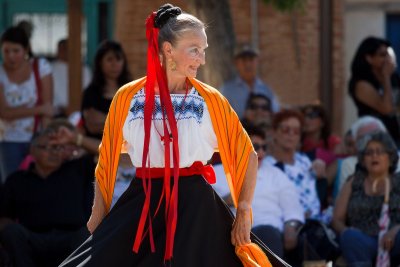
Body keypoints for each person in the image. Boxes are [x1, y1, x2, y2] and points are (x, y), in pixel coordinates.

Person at [59, 4, 278, 267]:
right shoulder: (129, 97)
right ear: (168, 49)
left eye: (204, 50)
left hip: (195, 207)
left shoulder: (209, 100)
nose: (202, 59)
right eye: (194, 50)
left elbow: (247, 156)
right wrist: (99, 212)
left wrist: (243, 211)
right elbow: (107, 160)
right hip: (144, 201)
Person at [0, 126, 95, 267]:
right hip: (33, 239)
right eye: (48, 147)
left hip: (71, 238)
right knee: (12, 232)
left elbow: (110, 151)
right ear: (32, 150)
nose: (54, 152)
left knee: (86, 235)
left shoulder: (78, 169)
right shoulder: (17, 180)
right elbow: (4, 217)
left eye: (58, 147)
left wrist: (76, 139)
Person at [332, 131, 400, 266]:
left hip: (393, 240)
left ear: (390, 157)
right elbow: (337, 220)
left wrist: (395, 230)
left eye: (380, 152)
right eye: (369, 153)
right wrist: (346, 231)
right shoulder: (353, 182)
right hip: (362, 240)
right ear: (363, 159)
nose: (374, 156)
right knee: (350, 237)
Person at [0, 26, 54, 183]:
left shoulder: (40, 67)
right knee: (11, 185)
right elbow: (4, 113)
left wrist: (46, 140)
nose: (11, 56)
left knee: (40, 185)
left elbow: (48, 110)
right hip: (8, 140)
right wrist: (39, 109)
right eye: (6, 51)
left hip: (37, 138)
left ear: (26, 50)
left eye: (16, 51)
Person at [247, 125, 304, 258]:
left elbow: (293, 209)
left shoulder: (276, 174)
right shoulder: (219, 174)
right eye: (255, 147)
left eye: (264, 148)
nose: (260, 152)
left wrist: (291, 226)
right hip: (233, 234)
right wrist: (228, 199)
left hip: (271, 233)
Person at [264, 109, 322, 219]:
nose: (291, 134)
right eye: (286, 130)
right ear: (274, 132)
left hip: (315, 221)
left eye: (296, 131)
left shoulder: (305, 161)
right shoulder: (266, 165)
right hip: (285, 224)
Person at [348, 36, 400, 146]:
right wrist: (386, 77)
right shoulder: (362, 83)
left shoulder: (394, 78)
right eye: (382, 55)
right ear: (369, 58)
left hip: (394, 136)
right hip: (373, 139)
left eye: (388, 54)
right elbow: (386, 109)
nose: (387, 59)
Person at [221, 43, 279, 118]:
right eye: (243, 60)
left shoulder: (266, 90)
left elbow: (276, 114)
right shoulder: (227, 90)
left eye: (251, 60)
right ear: (236, 63)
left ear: (257, 62)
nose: (248, 64)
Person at [52, 39, 92, 116]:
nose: (64, 51)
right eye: (62, 49)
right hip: (57, 113)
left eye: (67, 48)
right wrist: (62, 108)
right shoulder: (50, 69)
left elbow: (88, 91)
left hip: (81, 111)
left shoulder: (84, 70)